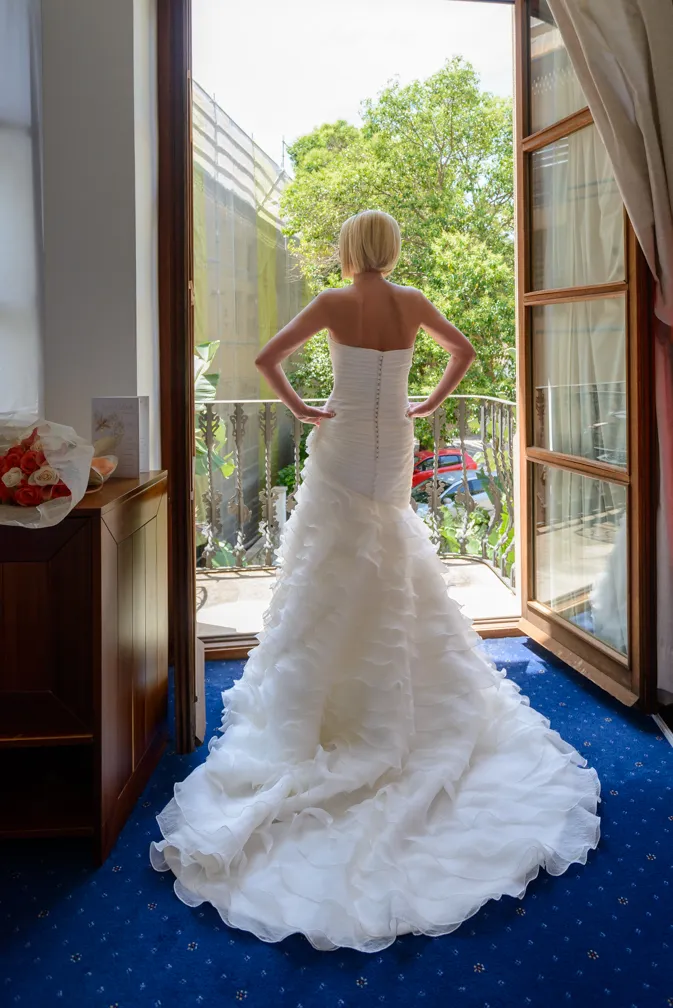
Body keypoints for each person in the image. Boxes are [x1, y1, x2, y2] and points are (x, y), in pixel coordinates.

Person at [151, 209, 600, 953]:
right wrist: (430, 401)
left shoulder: (333, 302)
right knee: (389, 545)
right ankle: (396, 679)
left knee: (334, 554)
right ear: (389, 249)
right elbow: (462, 352)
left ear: (348, 249)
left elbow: (267, 357)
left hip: (344, 437)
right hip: (393, 437)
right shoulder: (413, 301)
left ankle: (331, 689)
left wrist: (302, 407)